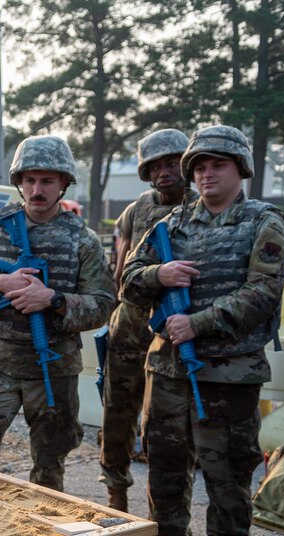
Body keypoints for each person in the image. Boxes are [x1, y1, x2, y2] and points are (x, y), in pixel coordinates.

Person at [114, 125, 284, 536]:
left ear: (240, 171)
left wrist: (199, 323)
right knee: (165, 467)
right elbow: (128, 280)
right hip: (168, 370)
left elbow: (262, 294)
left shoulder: (264, 222)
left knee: (227, 474)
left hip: (229, 375)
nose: (207, 174)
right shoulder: (172, 224)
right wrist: (159, 275)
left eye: (218, 165)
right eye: (200, 167)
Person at [0, 136, 116, 536]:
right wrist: (1, 284)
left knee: (49, 463)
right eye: (30, 180)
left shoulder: (81, 240)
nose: (37, 189)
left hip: (53, 367)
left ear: (63, 184)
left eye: (47, 180)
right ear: (18, 183)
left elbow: (103, 303)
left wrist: (55, 300)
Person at [99, 129, 199, 514]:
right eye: (154, 166)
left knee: (173, 425)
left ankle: (172, 512)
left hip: (177, 329)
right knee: (117, 411)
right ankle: (117, 494)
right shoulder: (137, 210)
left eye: (171, 162)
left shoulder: (201, 206)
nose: (163, 172)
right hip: (131, 326)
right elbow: (120, 270)